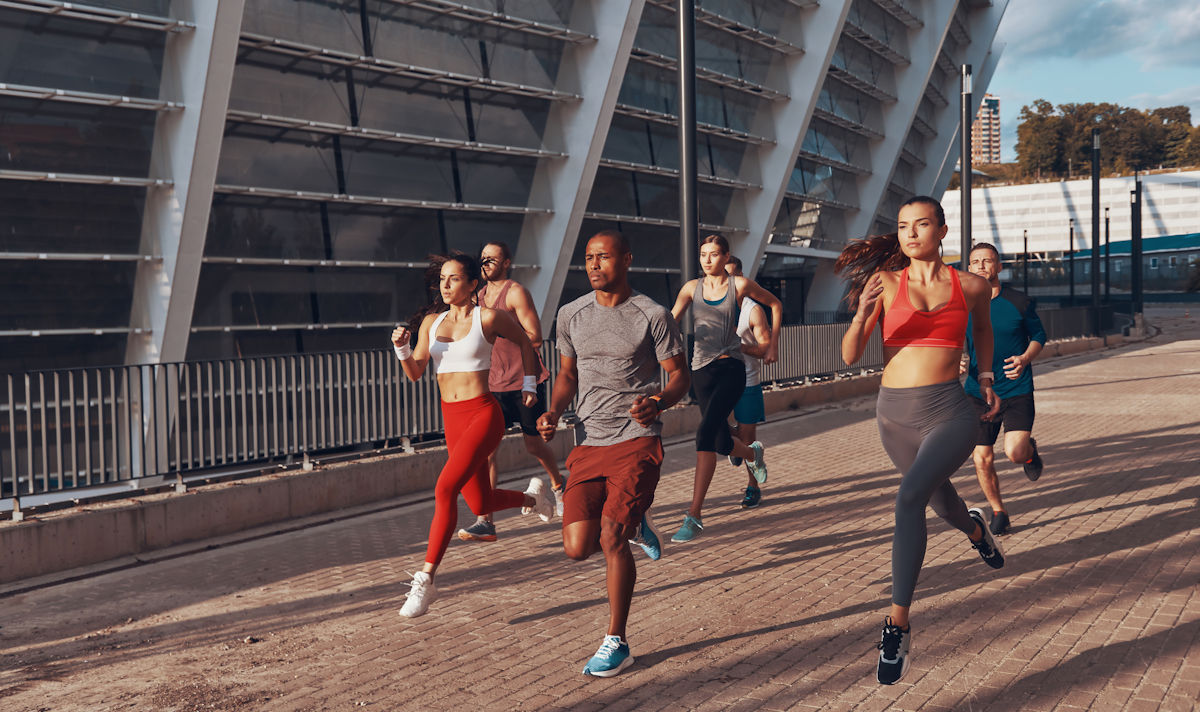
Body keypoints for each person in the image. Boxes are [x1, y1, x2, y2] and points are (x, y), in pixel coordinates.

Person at [837, 196, 1006, 685]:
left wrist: (988, 378)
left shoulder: (970, 285)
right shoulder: (884, 284)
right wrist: (861, 313)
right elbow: (850, 356)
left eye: (922, 224)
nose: (911, 234)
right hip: (894, 416)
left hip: (950, 411)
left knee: (908, 500)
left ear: (942, 231)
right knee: (943, 504)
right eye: (904, 226)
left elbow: (983, 331)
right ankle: (975, 530)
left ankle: (898, 627)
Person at [537, 230, 690, 677]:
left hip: (637, 439)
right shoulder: (571, 314)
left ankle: (616, 640)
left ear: (627, 259)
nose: (594, 265)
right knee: (575, 548)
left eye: (603, 257)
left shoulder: (653, 314)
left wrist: (658, 401)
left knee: (611, 539)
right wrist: (555, 409)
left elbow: (679, 376)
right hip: (589, 441)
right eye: (588, 258)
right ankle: (637, 517)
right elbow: (566, 374)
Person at [391, 253, 556, 618]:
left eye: (453, 279)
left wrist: (529, 383)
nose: (445, 286)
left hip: (483, 414)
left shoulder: (489, 318)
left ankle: (426, 579)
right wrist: (401, 348)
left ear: (472, 285)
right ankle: (534, 500)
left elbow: (527, 342)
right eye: (442, 280)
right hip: (452, 419)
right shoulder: (431, 324)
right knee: (481, 501)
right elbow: (415, 372)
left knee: (444, 489)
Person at [668, 235, 782, 542]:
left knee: (705, 435)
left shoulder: (739, 287)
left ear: (725, 257)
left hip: (731, 367)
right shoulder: (691, 288)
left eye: (714, 254)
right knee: (718, 439)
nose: (707, 259)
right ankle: (751, 454)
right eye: (703, 254)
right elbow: (669, 321)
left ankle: (694, 515)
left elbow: (775, 303)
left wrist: (772, 345)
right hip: (701, 371)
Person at [458, 241, 566, 543]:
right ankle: (486, 521)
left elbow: (535, 336)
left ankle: (558, 486)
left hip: (523, 382)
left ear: (507, 263)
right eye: (482, 259)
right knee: (488, 453)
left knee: (533, 445)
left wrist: (499, 326)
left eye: (492, 259)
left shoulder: (515, 293)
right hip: (492, 385)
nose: (486, 263)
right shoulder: (477, 296)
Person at [964, 242, 1047, 535]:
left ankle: (1029, 453)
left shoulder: (1019, 302)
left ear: (999, 267)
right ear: (969, 268)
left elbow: (1039, 335)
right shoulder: (962, 305)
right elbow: (950, 343)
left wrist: (1025, 358)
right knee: (981, 457)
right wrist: (957, 361)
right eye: (976, 262)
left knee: (1013, 452)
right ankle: (999, 511)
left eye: (989, 261)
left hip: (1016, 387)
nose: (982, 266)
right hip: (978, 391)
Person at [725, 256, 772, 509]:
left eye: (732, 277)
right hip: (719, 382)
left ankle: (752, 488)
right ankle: (736, 447)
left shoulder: (753, 310)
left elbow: (765, 349)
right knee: (714, 429)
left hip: (747, 382)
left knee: (749, 438)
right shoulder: (709, 306)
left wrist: (738, 346)